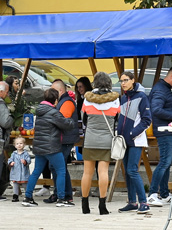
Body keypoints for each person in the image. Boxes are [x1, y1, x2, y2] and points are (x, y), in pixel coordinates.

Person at [147, 66, 172, 206]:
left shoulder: (163, 88)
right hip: (164, 131)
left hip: (167, 130)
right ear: (171, 76)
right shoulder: (160, 89)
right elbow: (156, 109)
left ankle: (164, 194)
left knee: (167, 162)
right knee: (165, 161)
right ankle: (152, 194)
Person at [25, 87, 73, 207]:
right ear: (56, 100)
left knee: (36, 171)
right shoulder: (53, 112)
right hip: (52, 147)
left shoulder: (40, 110)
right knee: (61, 170)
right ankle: (61, 199)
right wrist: (71, 120)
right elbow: (66, 124)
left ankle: (28, 197)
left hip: (39, 146)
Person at [80, 73, 120, 215]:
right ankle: (102, 205)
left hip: (90, 139)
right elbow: (116, 120)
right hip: (106, 140)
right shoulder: (115, 100)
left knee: (87, 173)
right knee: (103, 172)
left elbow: (84, 120)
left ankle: (85, 205)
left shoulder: (87, 100)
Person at [116, 72, 152, 214]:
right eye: (121, 81)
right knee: (127, 172)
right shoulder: (124, 97)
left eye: (126, 80)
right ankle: (132, 202)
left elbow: (147, 120)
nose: (123, 83)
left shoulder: (141, 97)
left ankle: (144, 202)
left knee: (132, 170)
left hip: (136, 140)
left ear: (133, 80)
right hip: (124, 140)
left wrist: (132, 133)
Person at [49, 79, 80, 202]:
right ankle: (59, 192)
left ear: (60, 90)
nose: (52, 93)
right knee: (57, 166)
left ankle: (65, 194)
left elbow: (62, 121)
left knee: (59, 167)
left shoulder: (67, 102)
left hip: (65, 139)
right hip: (62, 138)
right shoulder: (62, 101)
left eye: (54, 90)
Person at [7, 137, 32, 203]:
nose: (19, 145)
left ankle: (28, 195)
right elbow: (9, 160)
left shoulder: (25, 153)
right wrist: (11, 163)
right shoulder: (13, 154)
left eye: (21, 143)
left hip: (23, 173)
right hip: (15, 173)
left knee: (25, 185)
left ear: (24, 145)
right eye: (17, 144)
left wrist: (25, 162)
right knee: (15, 185)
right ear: (15, 145)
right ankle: (15, 196)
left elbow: (29, 160)